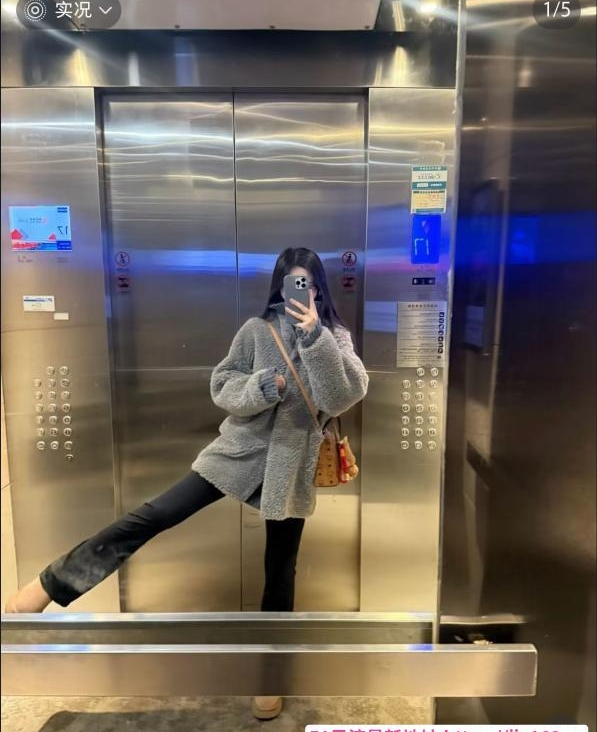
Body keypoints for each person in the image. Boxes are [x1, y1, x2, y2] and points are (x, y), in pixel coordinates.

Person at [6, 247, 369, 720]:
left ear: (320, 288)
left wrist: (314, 336)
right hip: (237, 454)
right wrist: (263, 388)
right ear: (279, 287)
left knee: (281, 568)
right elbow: (222, 385)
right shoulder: (256, 331)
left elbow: (343, 396)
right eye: (292, 284)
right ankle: (45, 587)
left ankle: (268, 676)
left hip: (290, 466)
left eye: (309, 284)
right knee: (154, 515)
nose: (302, 293)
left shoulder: (334, 338)